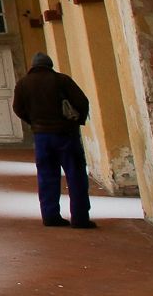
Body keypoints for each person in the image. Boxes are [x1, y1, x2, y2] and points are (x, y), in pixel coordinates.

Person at [11, 51, 96, 228]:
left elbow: (18, 108)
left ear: (33, 67)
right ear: (50, 65)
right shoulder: (62, 80)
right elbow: (82, 101)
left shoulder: (23, 84)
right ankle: (80, 218)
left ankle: (50, 216)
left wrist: (33, 122)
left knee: (46, 176)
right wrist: (76, 121)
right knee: (76, 176)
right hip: (66, 134)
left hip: (42, 136)